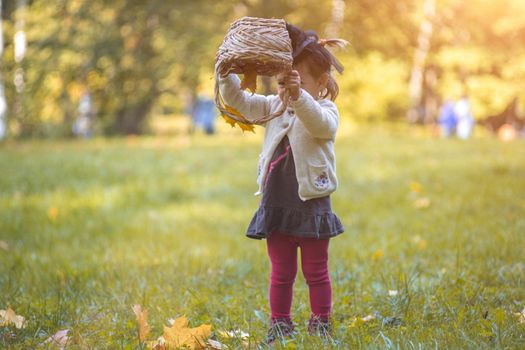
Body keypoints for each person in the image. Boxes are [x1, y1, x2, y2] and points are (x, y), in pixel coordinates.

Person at [217, 23, 346, 345]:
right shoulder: (273, 107)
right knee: (281, 273)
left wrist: (299, 96)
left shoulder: (327, 110)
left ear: (322, 83)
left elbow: (319, 125)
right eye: (284, 82)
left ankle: (320, 323)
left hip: (311, 202)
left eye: (298, 82)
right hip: (276, 203)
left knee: (316, 271)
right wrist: (226, 73)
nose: (288, 90)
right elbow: (239, 100)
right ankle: (280, 324)